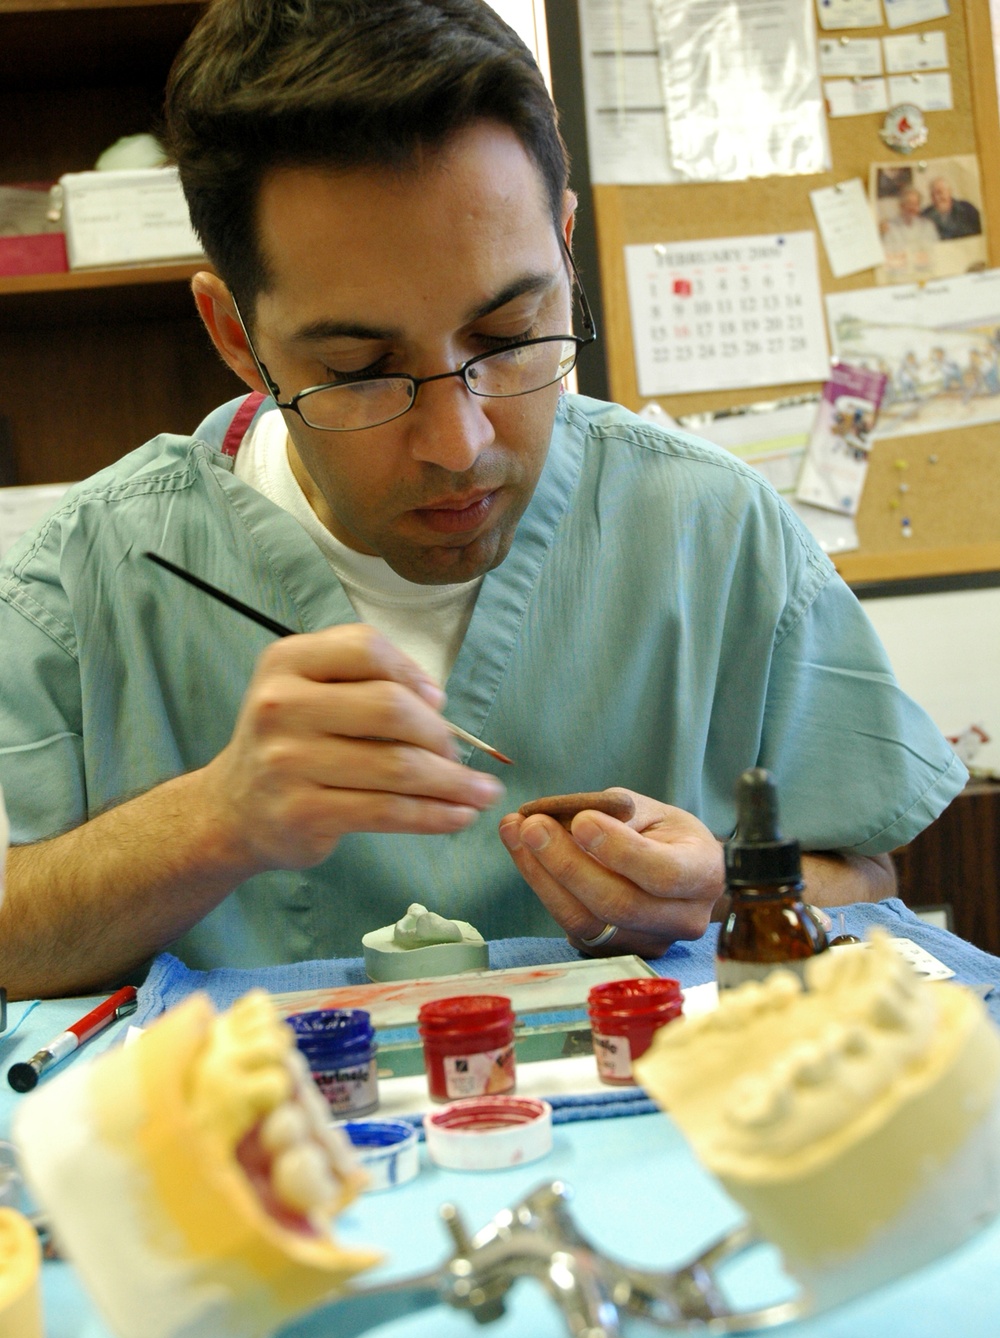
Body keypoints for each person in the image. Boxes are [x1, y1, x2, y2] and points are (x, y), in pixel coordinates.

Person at [0, 0, 965, 999]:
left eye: (507, 337)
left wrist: (723, 890)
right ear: (235, 334)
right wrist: (215, 819)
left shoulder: (711, 534)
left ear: (564, 244)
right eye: (360, 367)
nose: (460, 444)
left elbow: (865, 876)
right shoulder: (82, 585)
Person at [880, 184, 939, 282]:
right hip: (899, 278)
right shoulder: (889, 227)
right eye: (909, 203)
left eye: (916, 204)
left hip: (926, 274)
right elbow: (889, 255)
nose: (912, 208)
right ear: (901, 206)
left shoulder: (928, 226)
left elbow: (934, 251)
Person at [923, 176, 982, 241]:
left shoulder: (967, 209)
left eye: (940, 192)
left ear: (949, 192)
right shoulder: (925, 216)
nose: (937, 198)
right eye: (933, 195)